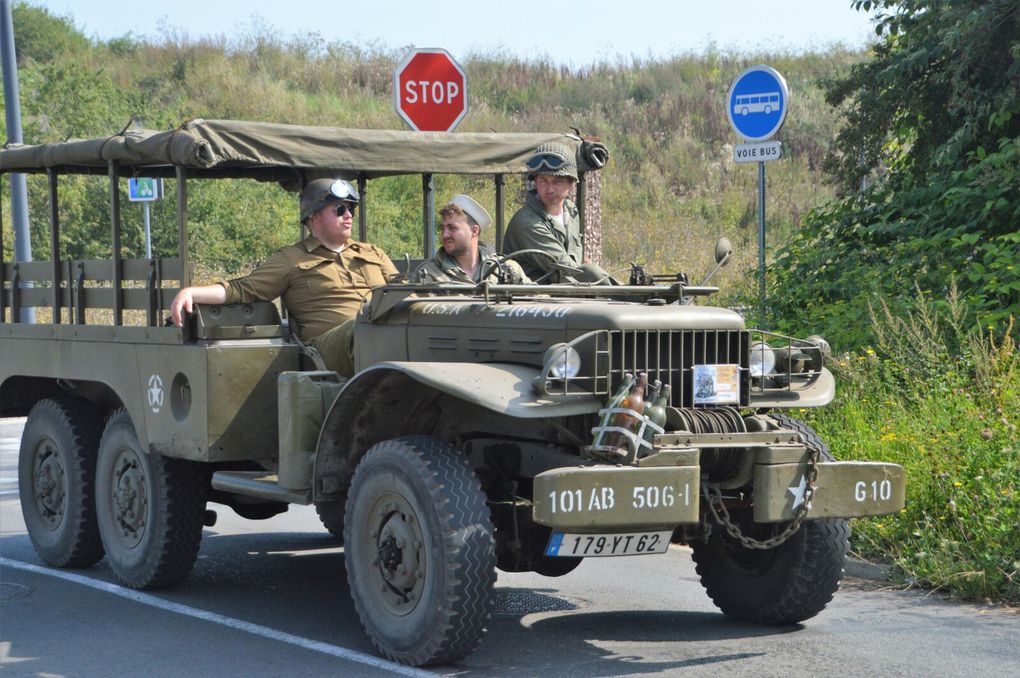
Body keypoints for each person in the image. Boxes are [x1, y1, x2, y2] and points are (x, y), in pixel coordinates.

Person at [170, 178, 397, 375]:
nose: (348, 215)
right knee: (363, 329)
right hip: (328, 348)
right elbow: (243, 288)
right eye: (339, 209)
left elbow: (405, 290)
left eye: (351, 209)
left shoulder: (372, 252)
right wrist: (191, 292)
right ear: (314, 217)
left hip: (380, 331)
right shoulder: (291, 259)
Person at [501, 142, 613, 284]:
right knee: (592, 272)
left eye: (557, 181)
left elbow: (573, 259)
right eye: (543, 181)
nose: (550, 189)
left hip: (567, 294)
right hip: (534, 299)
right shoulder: (527, 223)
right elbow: (565, 269)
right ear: (535, 180)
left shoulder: (571, 211)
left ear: (571, 182)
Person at [415, 194, 530, 284]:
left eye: (452, 228)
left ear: (474, 231)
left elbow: (539, 301)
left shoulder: (506, 269)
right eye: (442, 228)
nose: (445, 235)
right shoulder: (429, 274)